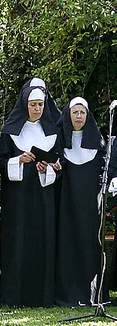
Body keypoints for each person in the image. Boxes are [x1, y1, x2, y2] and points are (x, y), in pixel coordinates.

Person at [0, 86, 62, 308]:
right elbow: (0, 161)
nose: (37, 109)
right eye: (33, 105)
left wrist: (49, 168)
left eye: (40, 105)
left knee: (42, 240)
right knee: (17, 242)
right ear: (25, 105)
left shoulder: (53, 132)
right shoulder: (10, 131)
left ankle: (41, 297)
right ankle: (14, 296)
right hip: (17, 199)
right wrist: (18, 161)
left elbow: (60, 164)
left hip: (44, 198)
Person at [55, 97, 105, 307]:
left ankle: (92, 294)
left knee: (89, 244)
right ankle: (67, 293)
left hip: (89, 208)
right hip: (66, 205)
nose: (78, 116)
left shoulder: (98, 143)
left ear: (87, 116)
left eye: (82, 113)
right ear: (68, 115)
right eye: (74, 112)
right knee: (67, 244)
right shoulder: (59, 140)